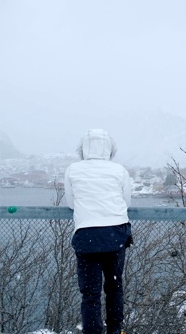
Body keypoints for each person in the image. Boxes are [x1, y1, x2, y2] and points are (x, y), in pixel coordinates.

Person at [64, 129, 132, 334]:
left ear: (83, 148)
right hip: (116, 233)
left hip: (87, 236)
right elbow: (126, 202)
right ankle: (115, 330)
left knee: (90, 293)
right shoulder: (119, 170)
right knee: (114, 287)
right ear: (110, 148)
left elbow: (71, 202)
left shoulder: (73, 169)